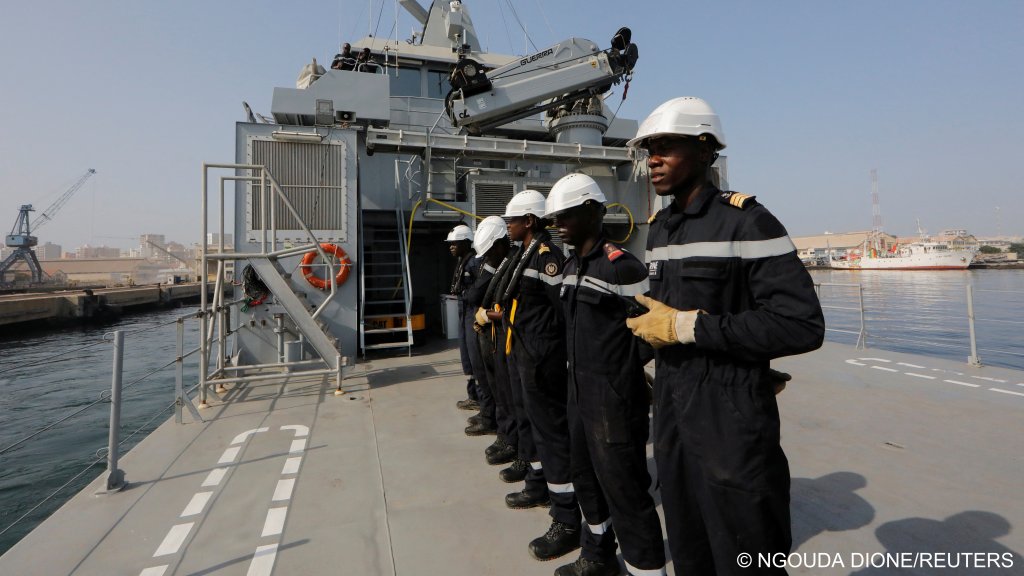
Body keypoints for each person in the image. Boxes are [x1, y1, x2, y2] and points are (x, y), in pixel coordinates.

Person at [624, 97, 825, 575]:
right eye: (648, 148)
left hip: (730, 419)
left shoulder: (747, 220)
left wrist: (685, 326)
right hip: (672, 412)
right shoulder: (661, 228)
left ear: (704, 150)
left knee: (745, 549)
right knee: (690, 546)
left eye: (665, 147)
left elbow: (801, 323)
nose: (652, 158)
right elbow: (662, 314)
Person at [546, 173, 666, 576]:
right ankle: (597, 556)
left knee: (626, 490)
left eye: (566, 215)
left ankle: (646, 568)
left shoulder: (622, 268)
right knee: (585, 479)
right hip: (579, 394)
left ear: (593, 212)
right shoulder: (568, 267)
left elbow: (650, 332)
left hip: (614, 399)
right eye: (554, 218)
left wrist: (619, 372)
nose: (558, 225)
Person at [499, 190, 582, 562]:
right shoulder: (525, 254)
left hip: (542, 359)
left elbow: (562, 312)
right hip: (526, 355)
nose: (509, 227)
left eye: (513, 221)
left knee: (552, 435)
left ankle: (565, 515)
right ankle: (540, 483)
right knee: (536, 429)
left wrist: (559, 357)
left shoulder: (547, 258)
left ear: (530, 222)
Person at [470, 216, 520, 459]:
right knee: (498, 390)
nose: (487, 259)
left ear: (500, 245)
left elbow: (519, 311)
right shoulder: (501, 263)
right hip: (494, 336)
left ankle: (512, 442)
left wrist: (488, 315)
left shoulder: (514, 264)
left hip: (508, 338)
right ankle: (505, 435)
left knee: (508, 395)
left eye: (489, 254)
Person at [447, 224, 489, 417]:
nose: (451, 246)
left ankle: (481, 399)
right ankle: (473, 396)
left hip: (472, 311)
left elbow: (479, 290)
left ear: (465, 243)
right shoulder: (462, 261)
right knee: (467, 355)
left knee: (475, 356)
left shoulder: (473, 263)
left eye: (454, 243)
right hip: (464, 311)